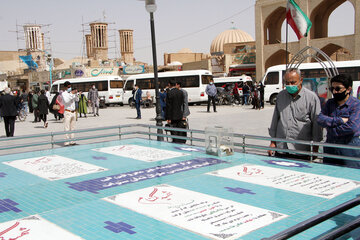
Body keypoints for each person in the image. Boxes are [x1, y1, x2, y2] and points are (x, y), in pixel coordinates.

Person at [268, 68, 323, 159]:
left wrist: (315, 147)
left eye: (293, 82)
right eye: (287, 83)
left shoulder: (311, 98)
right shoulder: (281, 96)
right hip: (282, 148)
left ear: (301, 80)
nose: (290, 85)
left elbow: (316, 124)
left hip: (301, 149)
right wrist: (273, 142)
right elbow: (275, 119)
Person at [317, 74, 360, 168]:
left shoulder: (356, 105)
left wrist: (331, 128)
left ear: (348, 89)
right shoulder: (330, 103)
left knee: (351, 176)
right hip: (330, 146)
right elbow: (320, 119)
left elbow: (352, 127)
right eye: (332, 88)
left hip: (349, 147)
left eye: (338, 88)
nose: (334, 92)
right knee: (329, 175)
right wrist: (340, 120)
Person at [62, 81, 79, 146]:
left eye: (70, 86)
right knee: (67, 127)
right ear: (65, 87)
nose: (70, 88)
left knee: (73, 127)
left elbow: (77, 100)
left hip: (73, 112)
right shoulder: (64, 94)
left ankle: (72, 141)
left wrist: (76, 94)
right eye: (68, 87)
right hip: (67, 112)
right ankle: (66, 142)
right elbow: (66, 101)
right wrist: (71, 94)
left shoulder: (72, 93)